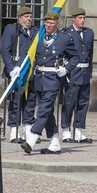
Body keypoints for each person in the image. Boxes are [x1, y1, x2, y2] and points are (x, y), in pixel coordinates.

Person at [20, 11, 79, 155]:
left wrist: (66, 69)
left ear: (57, 23)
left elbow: (75, 57)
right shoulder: (38, 36)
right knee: (48, 112)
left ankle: (32, 138)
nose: (49, 25)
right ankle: (54, 142)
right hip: (40, 78)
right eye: (46, 23)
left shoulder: (65, 38)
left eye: (52, 23)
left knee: (44, 109)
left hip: (54, 78)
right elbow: (31, 54)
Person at [0, 6, 37, 143]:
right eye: (26, 16)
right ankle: (14, 132)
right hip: (16, 71)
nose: (29, 19)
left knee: (30, 103)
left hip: (30, 73)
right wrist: (11, 69)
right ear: (20, 17)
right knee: (15, 102)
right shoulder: (12, 29)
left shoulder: (35, 32)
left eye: (30, 16)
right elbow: (4, 50)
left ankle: (27, 131)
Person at [61, 7, 94, 144]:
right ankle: (66, 130)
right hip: (72, 73)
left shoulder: (89, 33)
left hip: (84, 72)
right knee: (69, 102)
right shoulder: (66, 33)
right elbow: (63, 55)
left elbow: (90, 54)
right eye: (80, 18)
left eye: (83, 18)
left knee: (83, 103)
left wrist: (90, 73)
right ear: (73, 19)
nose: (82, 20)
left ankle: (79, 130)